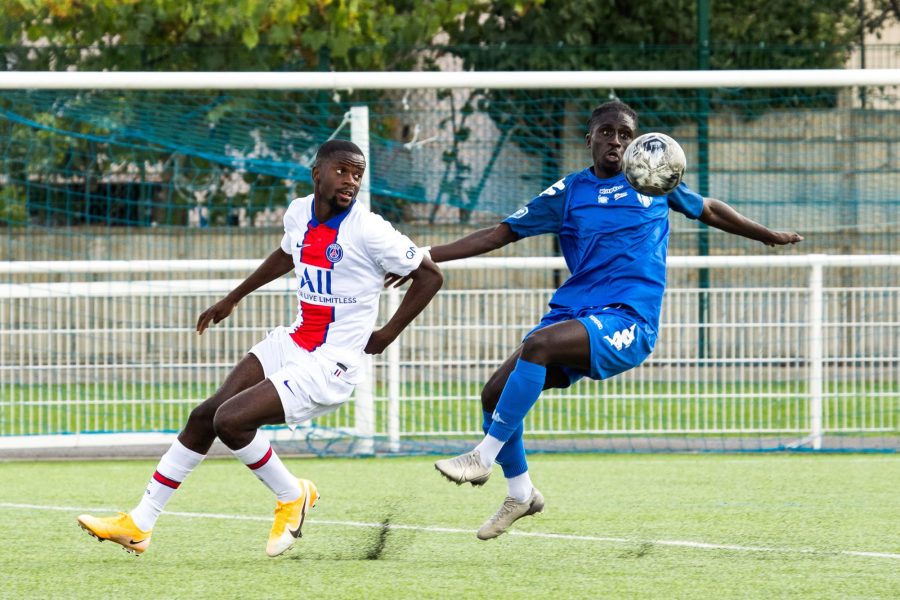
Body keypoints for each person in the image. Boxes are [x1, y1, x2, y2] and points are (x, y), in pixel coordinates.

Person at [421, 100, 803, 539]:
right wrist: (425, 254)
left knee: (538, 346)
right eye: (607, 132)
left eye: (625, 135)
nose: (616, 141)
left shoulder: (653, 181)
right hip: (574, 313)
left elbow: (710, 209)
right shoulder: (568, 192)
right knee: (493, 394)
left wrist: (768, 236)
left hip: (628, 319)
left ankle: (482, 458)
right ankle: (522, 494)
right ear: (589, 139)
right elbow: (500, 233)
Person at [77, 140, 443, 557]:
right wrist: (234, 296)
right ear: (317, 173)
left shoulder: (370, 229)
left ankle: (292, 496)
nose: (351, 181)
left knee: (230, 421)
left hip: (331, 363)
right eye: (342, 171)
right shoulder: (297, 212)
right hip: (294, 341)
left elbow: (429, 276)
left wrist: (388, 333)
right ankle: (139, 524)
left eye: (358, 174)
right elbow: (288, 255)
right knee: (204, 416)